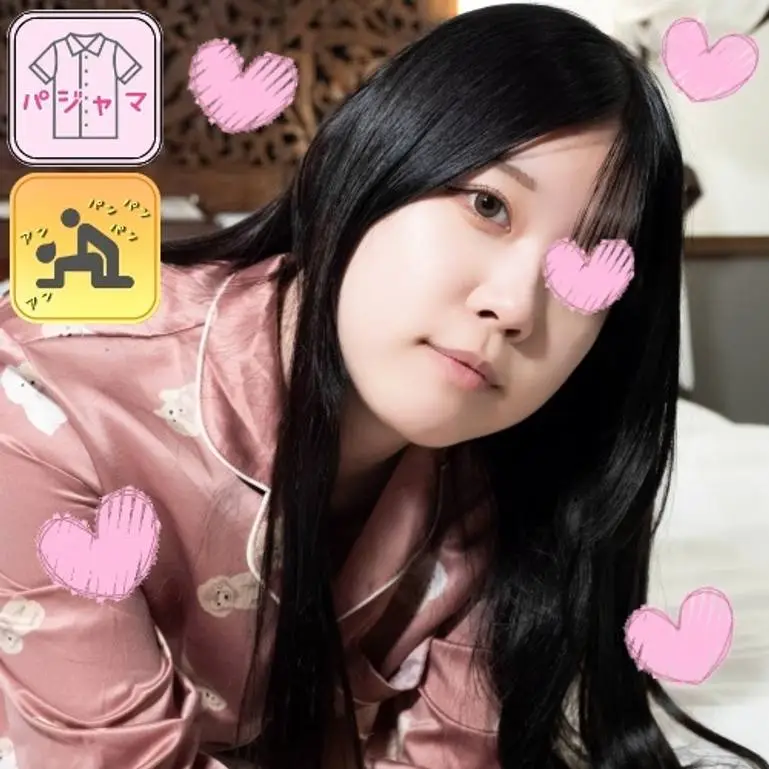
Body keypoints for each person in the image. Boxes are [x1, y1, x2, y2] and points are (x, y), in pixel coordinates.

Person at [0, 5, 765, 769]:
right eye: (489, 205)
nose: (516, 306)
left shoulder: (497, 480)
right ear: (369, 162)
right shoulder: (48, 393)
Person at [34, 207, 135, 289]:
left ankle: (111, 278)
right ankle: (110, 278)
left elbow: (86, 252)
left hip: (97, 260)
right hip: (97, 260)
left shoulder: (83, 229)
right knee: (60, 263)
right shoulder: (82, 230)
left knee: (60, 263)